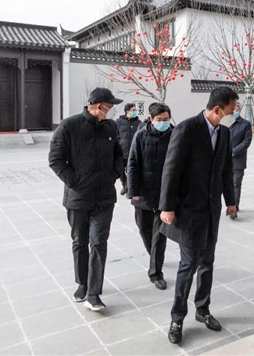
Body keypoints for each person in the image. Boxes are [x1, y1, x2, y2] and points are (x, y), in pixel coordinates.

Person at [159, 86, 237, 344]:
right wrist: (166, 206)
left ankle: (202, 309)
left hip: (211, 210)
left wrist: (230, 201)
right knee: (188, 264)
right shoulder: (187, 129)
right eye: (230, 110)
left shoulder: (224, 133)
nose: (232, 115)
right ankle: (177, 318)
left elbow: (226, 169)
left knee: (207, 262)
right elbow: (171, 169)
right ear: (217, 109)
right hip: (188, 210)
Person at [48, 87, 124, 311]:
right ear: (99, 106)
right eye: (110, 106)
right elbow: (55, 159)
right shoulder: (69, 126)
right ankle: (82, 283)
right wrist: (75, 182)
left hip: (104, 197)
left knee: (99, 242)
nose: (112, 110)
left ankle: (93, 293)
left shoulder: (111, 127)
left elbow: (118, 153)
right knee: (80, 242)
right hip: (78, 198)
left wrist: (114, 174)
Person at [126, 103, 173, 290]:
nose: (163, 123)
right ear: (150, 119)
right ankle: (154, 254)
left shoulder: (174, 135)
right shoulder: (140, 135)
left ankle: (156, 272)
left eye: (166, 119)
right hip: (143, 194)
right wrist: (133, 191)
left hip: (164, 194)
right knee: (144, 229)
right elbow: (132, 164)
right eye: (159, 120)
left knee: (159, 235)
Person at [229, 101, 252, 219]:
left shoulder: (245, 124)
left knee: (235, 184)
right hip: (223, 160)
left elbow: (246, 142)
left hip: (237, 160)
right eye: (232, 109)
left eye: (236, 109)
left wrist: (233, 152)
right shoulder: (224, 122)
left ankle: (234, 208)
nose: (234, 111)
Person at [116, 103, 140, 195]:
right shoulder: (118, 122)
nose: (135, 112)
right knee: (120, 171)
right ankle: (125, 185)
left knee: (130, 171)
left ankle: (128, 187)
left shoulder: (138, 123)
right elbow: (115, 135)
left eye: (135, 110)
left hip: (132, 152)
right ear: (127, 111)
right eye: (133, 110)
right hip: (121, 152)